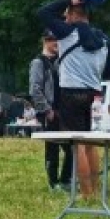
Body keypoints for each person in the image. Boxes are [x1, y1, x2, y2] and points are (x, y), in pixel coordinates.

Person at [37, 0, 110, 201]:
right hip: (94, 94)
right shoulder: (106, 40)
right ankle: (97, 189)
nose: (63, 17)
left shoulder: (68, 32)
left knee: (78, 144)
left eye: (66, 13)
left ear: (72, 14)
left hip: (71, 94)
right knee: (91, 143)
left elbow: (43, 12)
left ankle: (87, 194)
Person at [29, 31, 71, 192]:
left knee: (70, 148)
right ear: (46, 41)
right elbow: (35, 89)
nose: (58, 44)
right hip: (50, 111)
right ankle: (53, 183)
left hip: (64, 111)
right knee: (52, 149)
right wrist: (47, 110)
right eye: (55, 41)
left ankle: (65, 179)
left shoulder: (62, 61)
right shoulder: (38, 63)